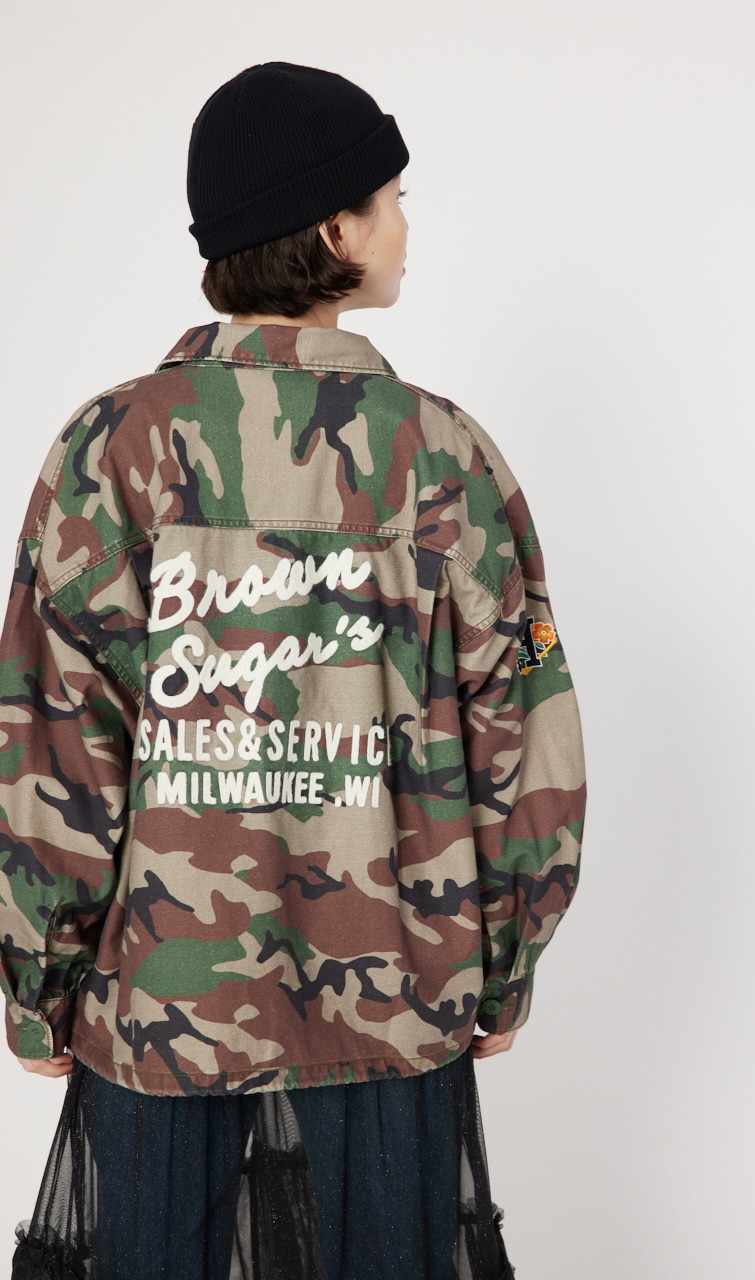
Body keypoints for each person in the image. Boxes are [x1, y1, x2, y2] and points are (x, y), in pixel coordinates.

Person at [0, 62, 586, 1280]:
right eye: (391, 199)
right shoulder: (447, 457)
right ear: (334, 229)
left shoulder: (111, 450)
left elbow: (49, 737)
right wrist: (504, 966)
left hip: (162, 1007)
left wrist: (36, 976)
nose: (405, 225)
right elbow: (526, 720)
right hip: (398, 997)